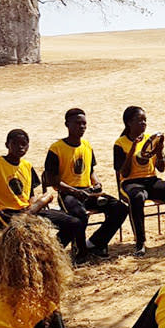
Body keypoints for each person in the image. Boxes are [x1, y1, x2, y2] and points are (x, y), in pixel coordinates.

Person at [0, 129, 83, 258]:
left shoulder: (27, 166)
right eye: (16, 143)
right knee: (26, 231)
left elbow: (30, 194)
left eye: (24, 144)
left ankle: (51, 255)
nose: (20, 147)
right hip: (6, 213)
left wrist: (36, 205)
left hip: (29, 210)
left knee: (74, 222)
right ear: (7, 144)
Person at [45, 108, 129, 259]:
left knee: (120, 208)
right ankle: (80, 251)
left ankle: (96, 243)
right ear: (67, 124)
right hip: (68, 195)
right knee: (79, 215)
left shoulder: (87, 146)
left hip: (88, 192)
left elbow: (90, 171)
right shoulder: (56, 149)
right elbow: (53, 181)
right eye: (78, 123)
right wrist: (75, 192)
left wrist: (96, 183)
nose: (82, 127)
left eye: (84, 123)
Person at [114, 106, 165, 255]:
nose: (143, 123)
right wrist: (132, 150)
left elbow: (161, 168)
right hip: (130, 182)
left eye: (145, 120)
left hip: (151, 180)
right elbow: (123, 172)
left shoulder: (151, 139)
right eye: (139, 120)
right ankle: (140, 242)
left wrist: (159, 151)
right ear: (129, 123)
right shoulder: (120, 143)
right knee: (137, 197)